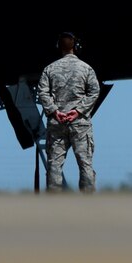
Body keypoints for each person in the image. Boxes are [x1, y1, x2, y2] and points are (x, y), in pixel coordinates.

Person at [36, 32, 100, 193]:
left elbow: (42, 92)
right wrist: (78, 111)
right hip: (80, 124)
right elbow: (94, 91)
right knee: (85, 164)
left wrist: (54, 111)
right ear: (76, 47)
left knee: (54, 166)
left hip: (57, 123)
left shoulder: (49, 69)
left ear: (59, 47)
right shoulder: (86, 69)